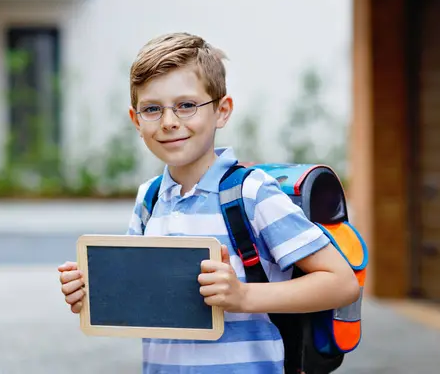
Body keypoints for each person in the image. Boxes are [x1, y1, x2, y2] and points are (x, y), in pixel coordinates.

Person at [58, 32, 360, 374]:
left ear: (222, 111)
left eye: (187, 105)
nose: (170, 121)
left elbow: (341, 283)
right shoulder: (150, 198)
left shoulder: (251, 194)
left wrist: (242, 297)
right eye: (152, 109)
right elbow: (147, 296)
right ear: (136, 121)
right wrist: (93, 294)